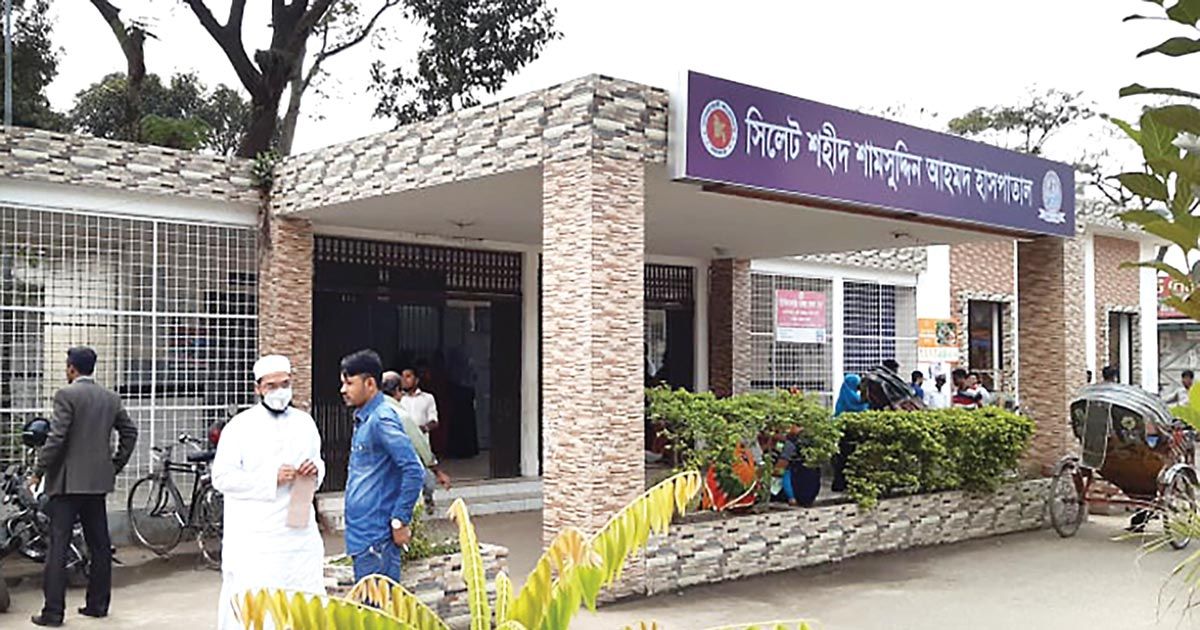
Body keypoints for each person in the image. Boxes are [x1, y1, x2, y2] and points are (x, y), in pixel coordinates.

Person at [213, 355, 326, 630]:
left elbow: (318, 464)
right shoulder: (240, 427)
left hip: (298, 533)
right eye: (271, 386)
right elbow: (222, 478)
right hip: (257, 537)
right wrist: (269, 479)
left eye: (285, 384)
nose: (279, 391)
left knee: (302, 594)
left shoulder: (304, 423)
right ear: (258, 388)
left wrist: (315, 470)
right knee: (257, 603)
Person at [30, 347, 138, 627]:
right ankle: (98, 605)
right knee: (99, 545)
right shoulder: (110, 398)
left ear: (71, 368)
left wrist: (38, 471)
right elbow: (129, 432)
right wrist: (114, 465)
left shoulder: (66, 395)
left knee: (58, 545)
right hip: (97, 483)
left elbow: (57, 438)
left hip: (67, 484)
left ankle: (53, 612)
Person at [341, 350, 426, 581]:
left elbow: (413, 470)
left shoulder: (381, 419)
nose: (343, 390)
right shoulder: (365, 418)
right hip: (363, 537)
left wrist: (400, 520)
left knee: (378, 602)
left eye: (349, 383)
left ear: (370, 383)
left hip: (377, 540)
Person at [382, 371, 452, 510]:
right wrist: (438, 472)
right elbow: (420, 446)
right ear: (397, 391)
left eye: (409, 376)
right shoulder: (400, 414)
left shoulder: (371, 411)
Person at [831, 373, 868, 493]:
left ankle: (840, 483)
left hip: (843, 433)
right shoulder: (858, 401)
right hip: (854, 432)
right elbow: (864, 408)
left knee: (842, 458)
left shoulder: (842, 398)